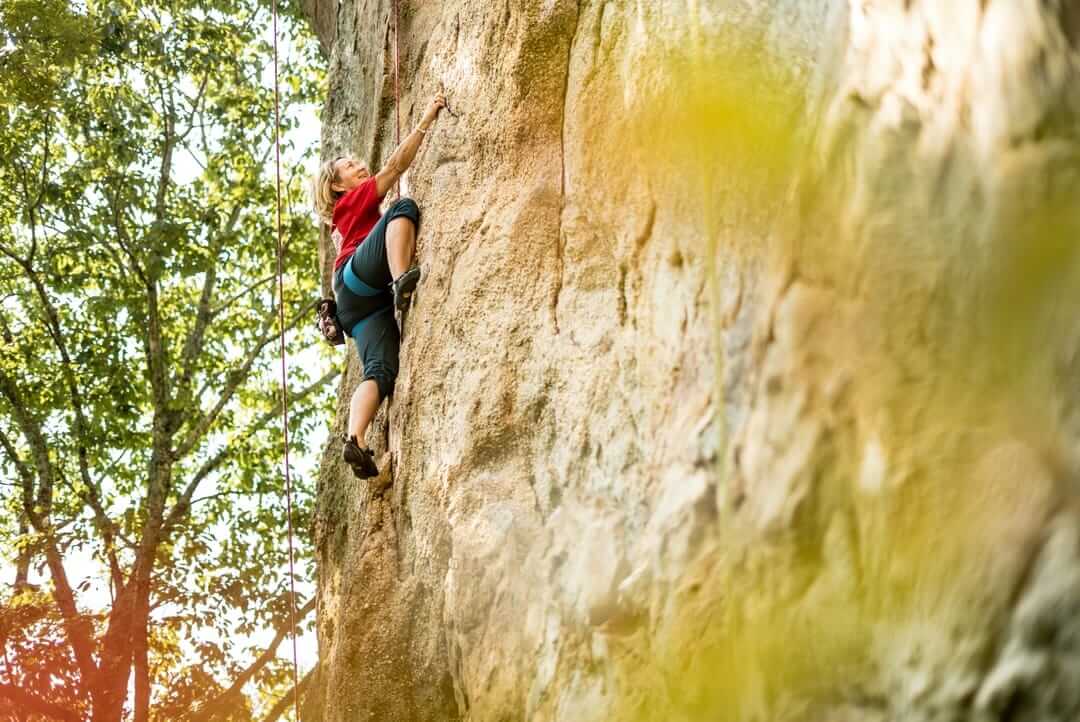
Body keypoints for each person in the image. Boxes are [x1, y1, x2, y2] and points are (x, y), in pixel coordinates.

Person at [312, 91, 447, 479]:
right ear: (338, 186)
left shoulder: (343, 218)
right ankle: (402, 276)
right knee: (402, 208)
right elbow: (394, 167)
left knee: (380, 371)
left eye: (356, 161)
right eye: (349, 166)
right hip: (359, 279)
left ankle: (355, 439)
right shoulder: (353, 199)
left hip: (357, 307)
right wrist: (427, 116)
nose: (358, 165)